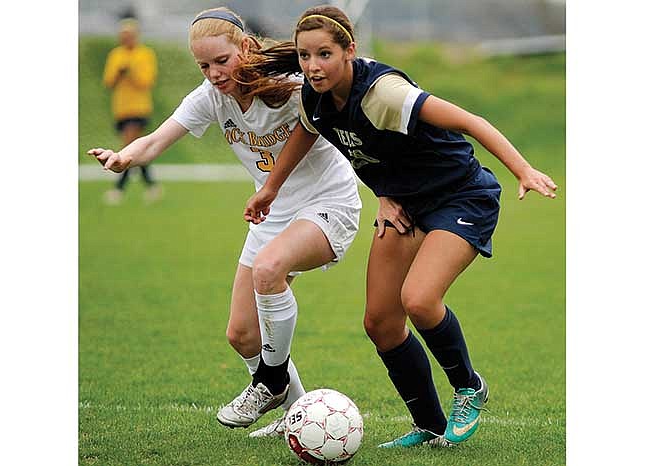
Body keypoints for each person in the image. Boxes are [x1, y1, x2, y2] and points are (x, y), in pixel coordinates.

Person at [240, 4, 558, 448]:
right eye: (305, 55)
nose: (313, 66)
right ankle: (428, 427)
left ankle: (470, 386)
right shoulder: (315, 97)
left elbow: (470, 121)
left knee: (420, 300)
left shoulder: (385, 93)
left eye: (325, 54)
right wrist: (271, 188)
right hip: (404, 207)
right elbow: (312, 132)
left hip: (461, 196)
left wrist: (523, 170)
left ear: (349, 50)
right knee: (381, 322)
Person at [87, 7, 362, 437]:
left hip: (328, 202)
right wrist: (125, 157)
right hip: (272, 213)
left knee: (270, 270)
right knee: (242, 335)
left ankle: (269, 384)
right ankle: (296, 415)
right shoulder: (210, 97)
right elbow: (159, 137)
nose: (214, 74)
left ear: (246, 48)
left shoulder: (292, 87)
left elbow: (353, 128)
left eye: (221, 61)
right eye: (203, 65)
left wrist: (391, 193)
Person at [102, 17, 161, 204]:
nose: (126, 39)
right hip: (121, 108)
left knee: (127, 148)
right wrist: (118, 73)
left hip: (139, 107)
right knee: (134, 150)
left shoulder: (145, 54)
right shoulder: (115, 55)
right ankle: (152, 186)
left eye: (129, 35)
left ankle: (118, 189)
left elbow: (147, 81)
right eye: (123, 36)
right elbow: (108, 82)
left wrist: (131, 71)